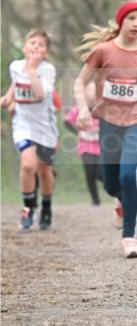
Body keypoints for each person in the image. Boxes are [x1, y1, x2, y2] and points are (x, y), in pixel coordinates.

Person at [73, 1, 137, 258]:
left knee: (129, 175)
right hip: (108, 123)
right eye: (131, 18)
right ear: (121, 21)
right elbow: (80, 81)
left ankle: (129, 237)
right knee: (111, 184)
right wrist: (84, 110)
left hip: (135, 121)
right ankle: (124, 201)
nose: (136, 24)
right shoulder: (103, 51)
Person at [1, 29, 58, 230]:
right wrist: (8, 97)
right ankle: (27, 208)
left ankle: (47, 206)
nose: (36, 47)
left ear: (46, 52)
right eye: (32, 42)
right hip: (23, 124)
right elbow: (16, 82)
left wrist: (32, 70)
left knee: (44, 171)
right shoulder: (15, 66)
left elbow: (40, 94)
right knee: (27, 165)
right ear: (24, 47)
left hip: (45, 127)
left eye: (41, 45)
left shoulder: (48, 70)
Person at [64, 83, 104, 206]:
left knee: (100, 173)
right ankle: (95, 200)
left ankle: (113, 186)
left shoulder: (102, 107)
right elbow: (67, 121)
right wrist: (78, 131)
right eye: (90, 90)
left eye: (94, 89)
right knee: (90, 171)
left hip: (101, 146)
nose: (92, 92)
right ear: (85, 93)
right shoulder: (79, 108)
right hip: (85, 145)